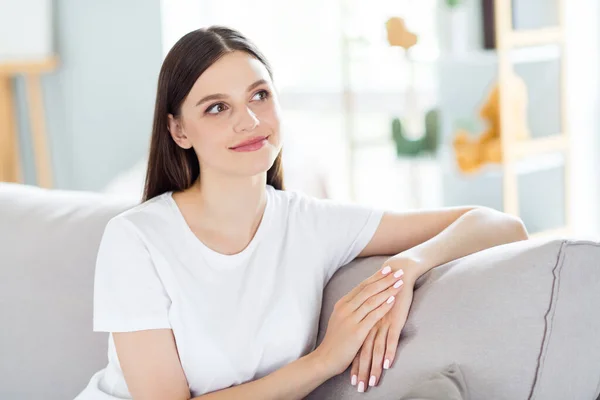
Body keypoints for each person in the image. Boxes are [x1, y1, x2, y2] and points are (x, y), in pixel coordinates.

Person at [75, 26, 528, 399]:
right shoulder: (135, 239)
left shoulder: (311, 224)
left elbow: (502, 225)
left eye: (259, 96)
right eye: (217, 108)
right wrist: (324, 361)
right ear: (178, 130)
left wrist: (406, 266)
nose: (250, 121)